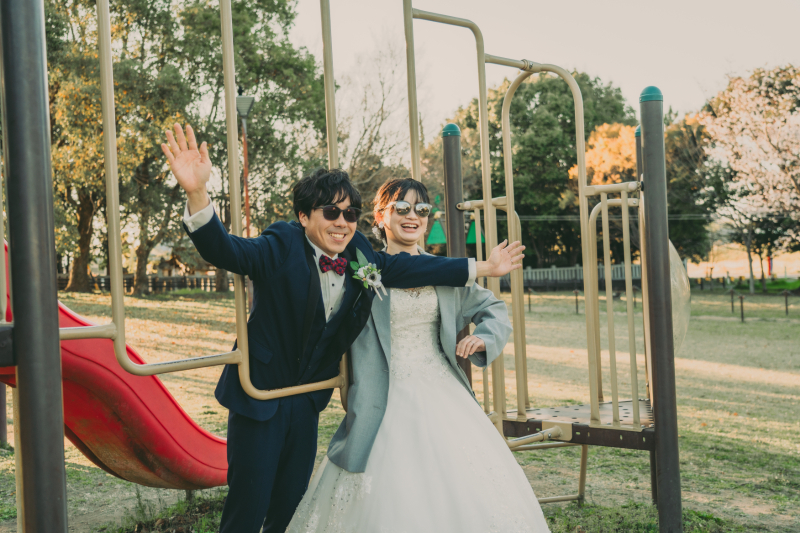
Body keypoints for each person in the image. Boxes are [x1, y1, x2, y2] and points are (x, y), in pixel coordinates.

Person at [160, 125, 526, 533]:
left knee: (290, 505)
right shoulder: (280, 244)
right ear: (304, 216)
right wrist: (197, 193)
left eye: (350, 214)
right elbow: (225, 249)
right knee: (249, 506)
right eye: (331, 212)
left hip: (308, 400)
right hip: (261, 395)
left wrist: (484, 267)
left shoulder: (359, 254)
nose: (342, 222)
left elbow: (410, 268)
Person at [287, 178, 549, 532]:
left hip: (442, 389)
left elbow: (494, 309)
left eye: (422, 210)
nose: (413, 216)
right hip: (380, 391)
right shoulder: (361, 267)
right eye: (402, 208)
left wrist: (483, 339)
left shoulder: (446, 270)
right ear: (381, 216)